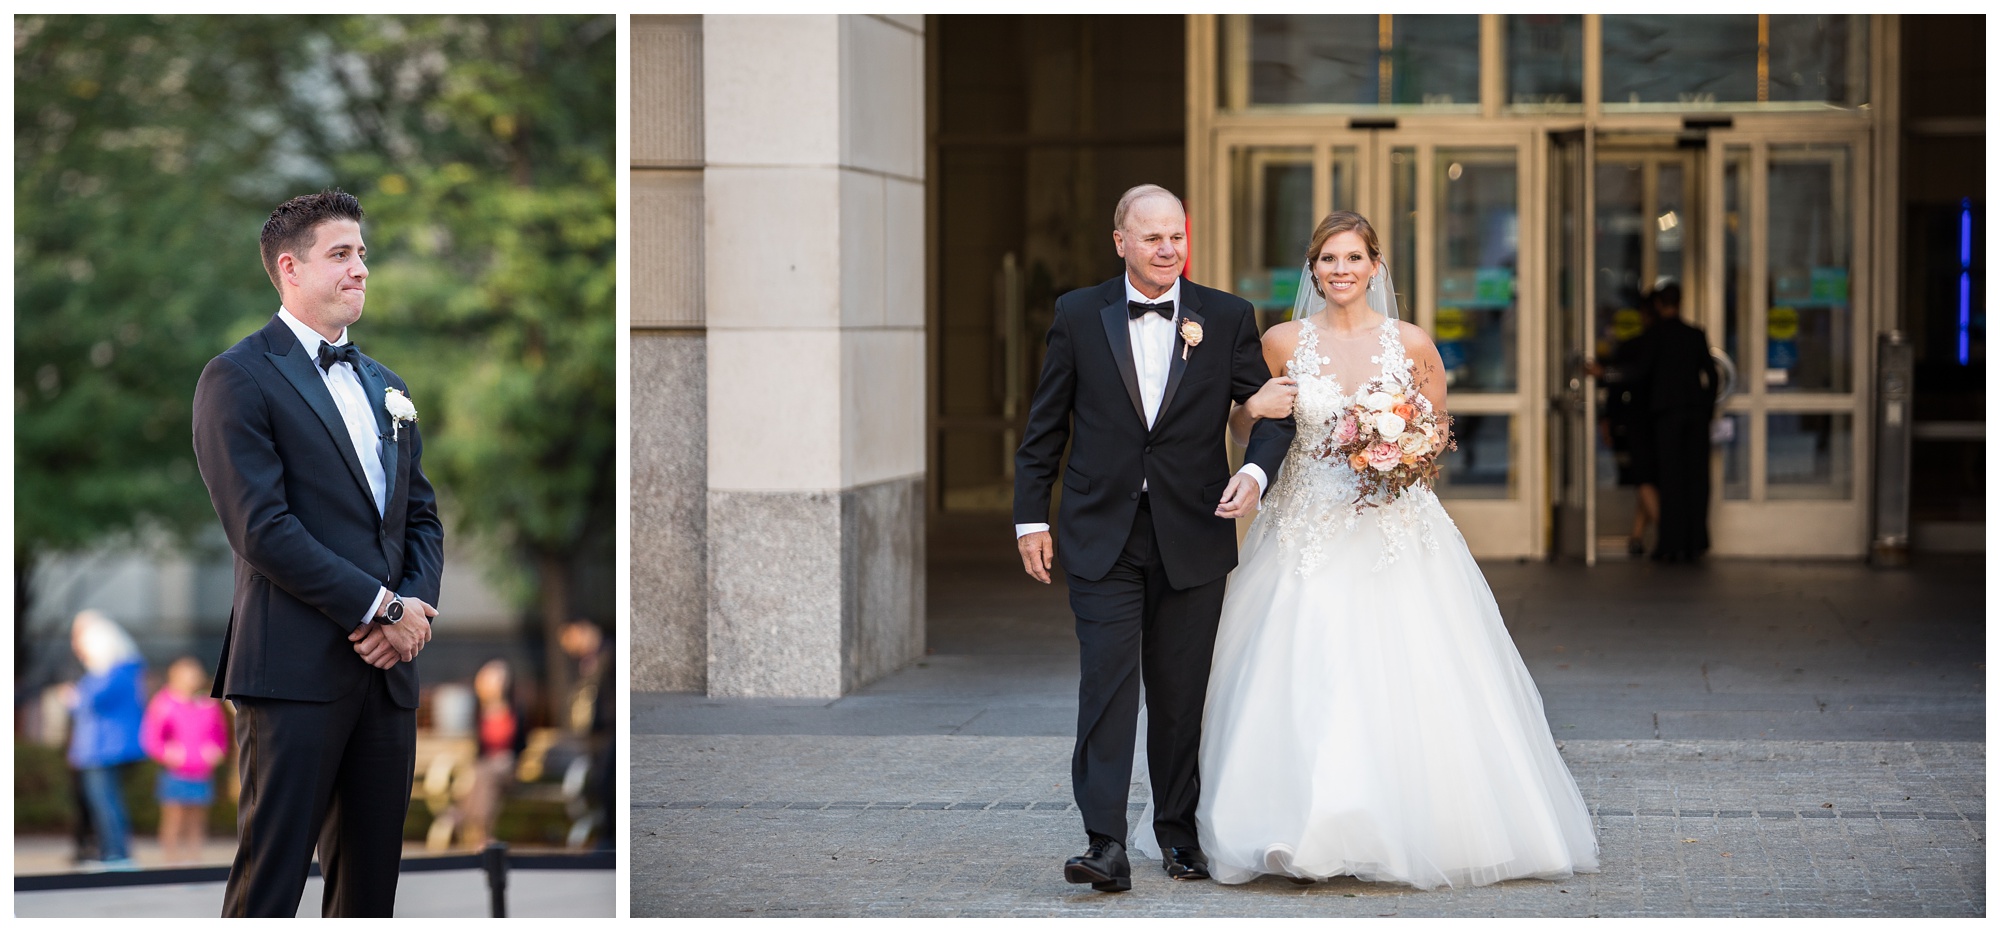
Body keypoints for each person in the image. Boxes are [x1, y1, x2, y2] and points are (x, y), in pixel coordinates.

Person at [1151, 211, 1599, 889]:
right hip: (1304, 529)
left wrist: (1403, 450)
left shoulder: (1412, 343)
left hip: (1394, 529)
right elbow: (1248, 427)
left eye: (1354, 258)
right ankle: (1294, 829)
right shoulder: (1280, 341)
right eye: (1328, 259)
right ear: (1313, 270)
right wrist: (1252, 408)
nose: (1341, 270)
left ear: (1375, 267)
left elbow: (1438, 427)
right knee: (1302, 668)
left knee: (1412, 673)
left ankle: (1409, 828)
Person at [1013, 184, 1297, 892]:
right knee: (1107, 687)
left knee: (1179, 694)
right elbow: (1046, 424)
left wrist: (1257, 474)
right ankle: (1104, 842)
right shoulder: (1078, 314)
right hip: (1099, 532)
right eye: (1152, 238)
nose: (1167, 249)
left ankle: (1177, 834)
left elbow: (1270, 413)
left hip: (1194, 532)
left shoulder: (1226, 316)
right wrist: (1031, 517)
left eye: (1177, 236)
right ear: (1122, 242)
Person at [192, 189, 445, 916]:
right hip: (292, 673)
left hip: (388, 673)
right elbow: (261, 528)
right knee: (268, 890)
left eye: (362, 253)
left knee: (370, 896)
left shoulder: (386, 385)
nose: (360, 268)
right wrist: (383, 607)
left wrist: (414, 615)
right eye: (341, 254)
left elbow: (420, 518)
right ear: (289, 269)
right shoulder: (236, 377)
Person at [1618, 282, 1719, 563]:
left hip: (1667, 418)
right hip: (1695, 417)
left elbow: (1639, 373)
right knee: (1697, 480)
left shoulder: (1655, 336)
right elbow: (1712, 376)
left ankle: (1672, 543)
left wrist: (1607, 374)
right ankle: (1696, 541)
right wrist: (1705, 407)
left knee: (1671, 480)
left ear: (1659, 305)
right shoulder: (1695, 334)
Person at [67, 610, 148, 871]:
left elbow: (88, 701)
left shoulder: (111, 672)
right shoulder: (127, 670)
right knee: (107, 801)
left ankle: (116, 854)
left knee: (105, 802)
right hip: (108, 746)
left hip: (103, 747)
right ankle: (112, 852)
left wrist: (72, 697)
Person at [140, 656, 230, 864]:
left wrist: (216, 751)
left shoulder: (208, 705)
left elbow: (220, 735)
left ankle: (194, 858)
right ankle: (171, 859)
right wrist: (167, 754)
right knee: (174, 817)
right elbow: (152, 738)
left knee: (198, 818)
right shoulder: (164, 704)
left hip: (201, 771)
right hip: (175, 772)